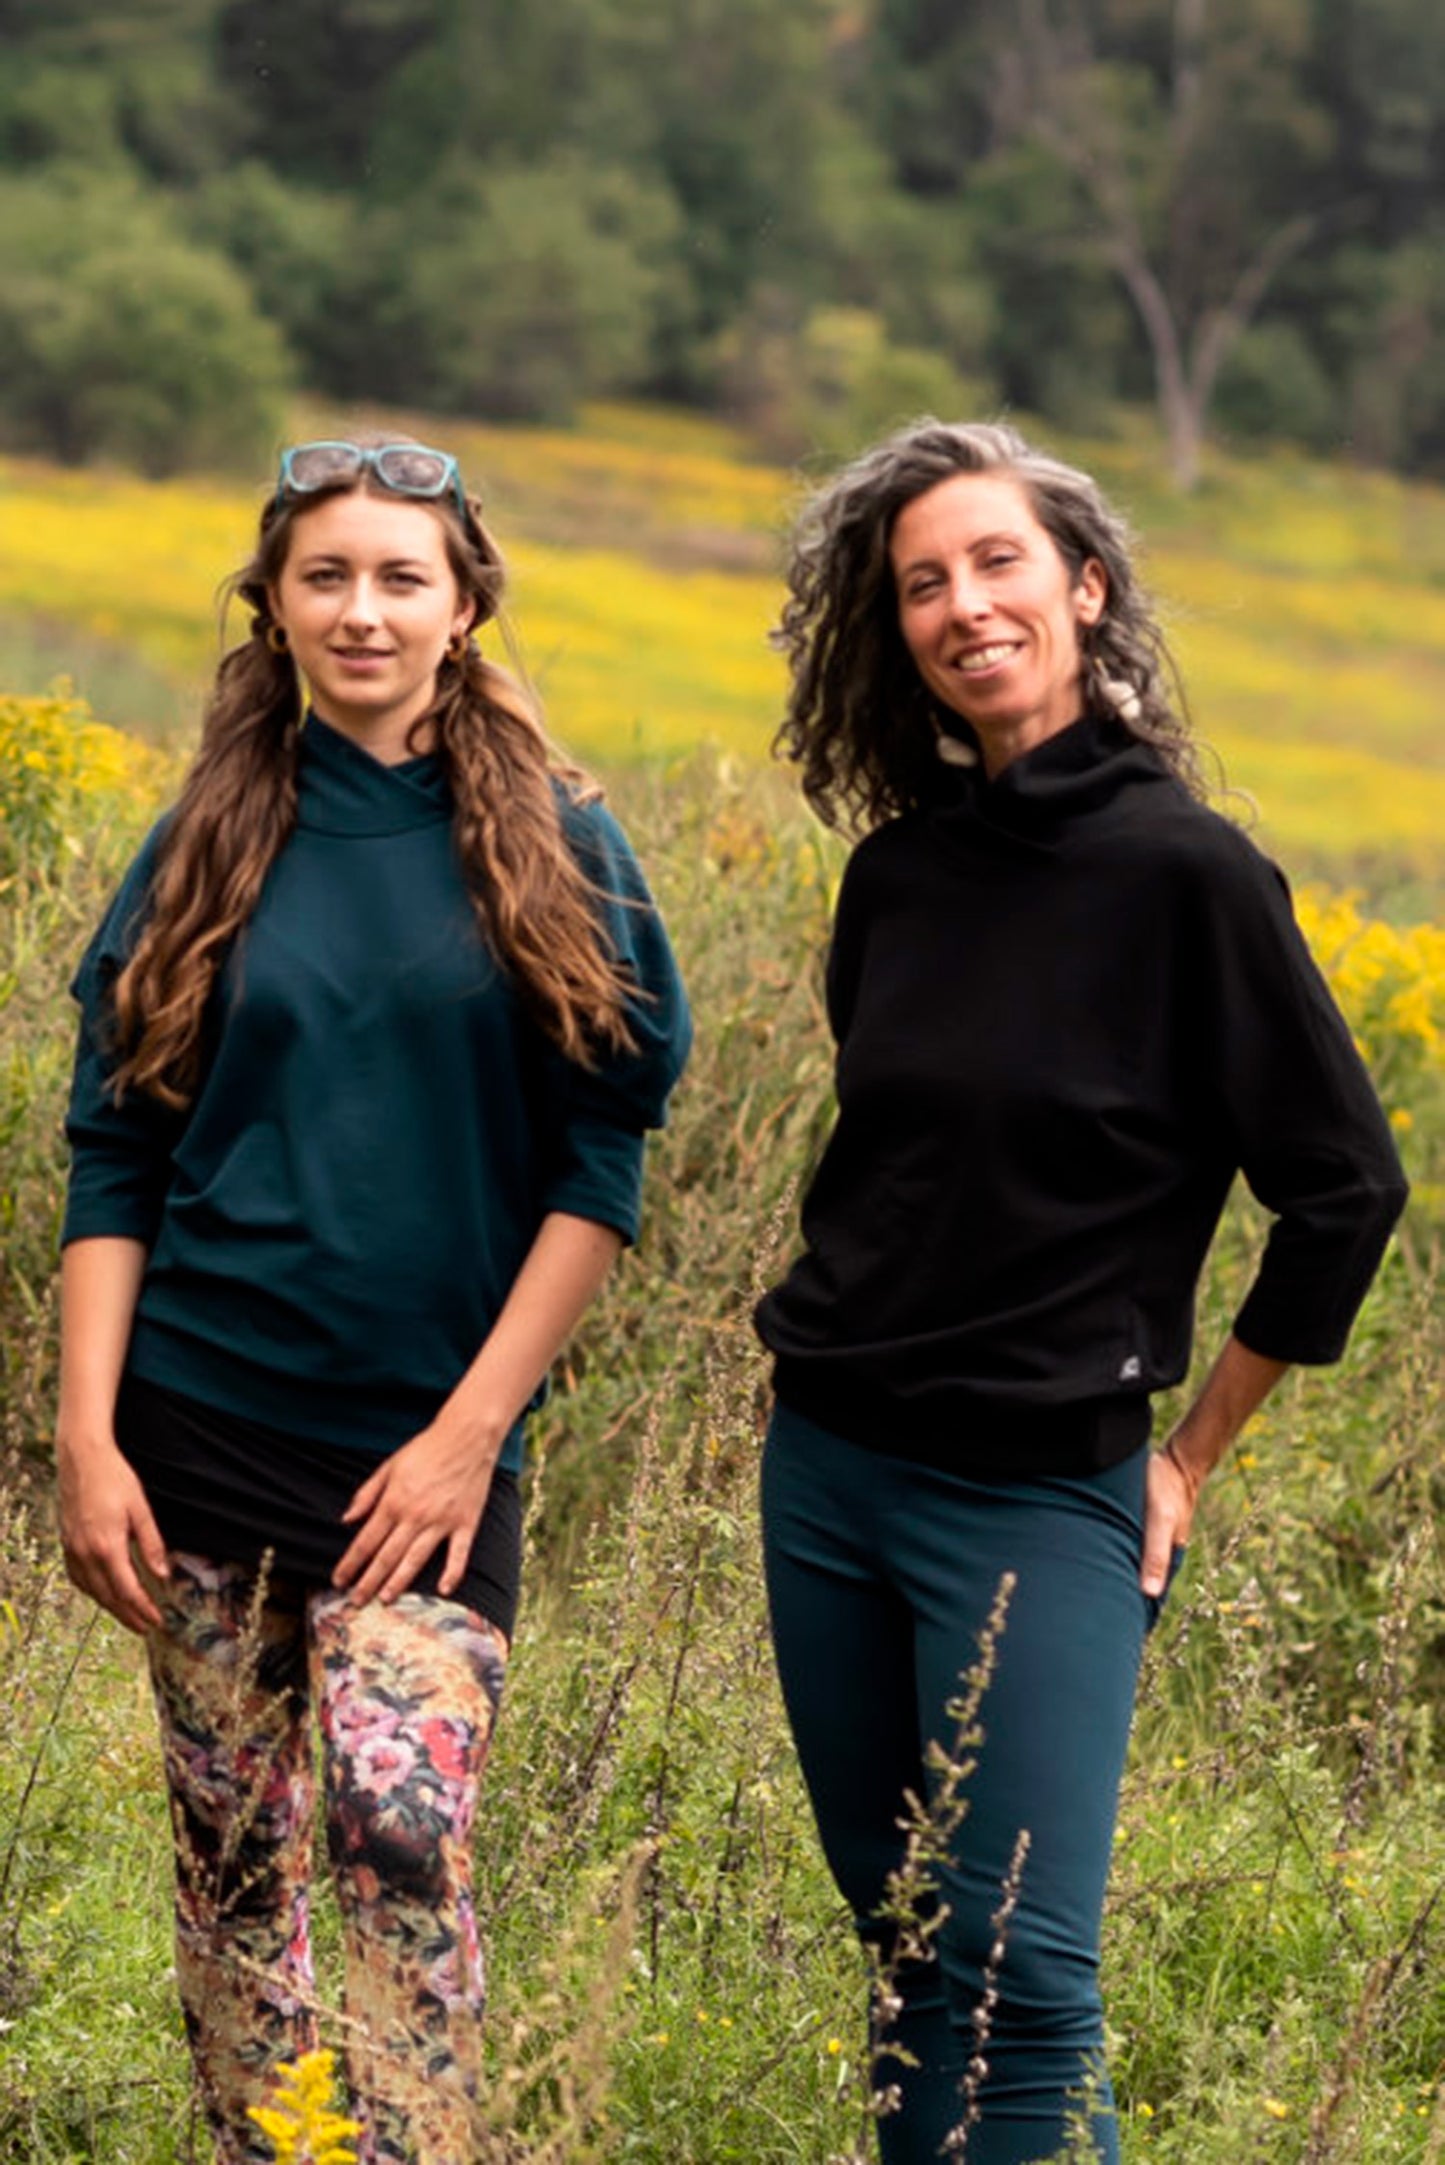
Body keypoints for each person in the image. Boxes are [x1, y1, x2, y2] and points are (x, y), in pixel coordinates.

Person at [753, 421, 1408, 2165]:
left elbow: (1344, 1187)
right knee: (911, 1956)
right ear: (892, 633)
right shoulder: (896, 879)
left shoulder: (1186, 875)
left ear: (1083, 588)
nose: (964, 605)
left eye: (997, 563)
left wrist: (1186, 1454)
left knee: (1025, 1977)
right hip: (826, 1468)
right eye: (921, 584)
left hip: (1045, 1491)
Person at [54, 438, 691, 2165]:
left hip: (424, 1457)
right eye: (325, 574)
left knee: (400, 1836)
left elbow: (602, 1165)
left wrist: (468, 1439)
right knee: (233, 1868)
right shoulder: (209, 839)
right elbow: (114, 1151)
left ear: (465, 605)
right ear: (271, 605)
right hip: (192, 1432)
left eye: (402, 575)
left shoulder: (561, 845)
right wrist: (84, 1437)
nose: (362, 607)